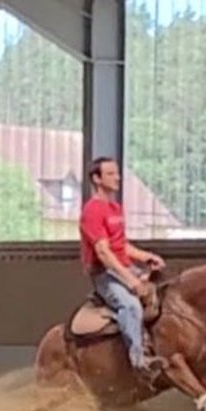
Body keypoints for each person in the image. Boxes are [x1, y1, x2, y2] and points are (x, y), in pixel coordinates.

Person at [79, 157, 167, 378]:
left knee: (165, 293)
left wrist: (146, 257)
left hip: (124, 267)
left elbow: (121, 246)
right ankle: (138, 360)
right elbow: (104, 253)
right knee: (131, 307)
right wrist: (131, 280)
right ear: (97, 179)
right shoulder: (92, 211)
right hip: (105, 274)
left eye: (117, 173)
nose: (117, 177)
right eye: (110, 174)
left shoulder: (115, 208)